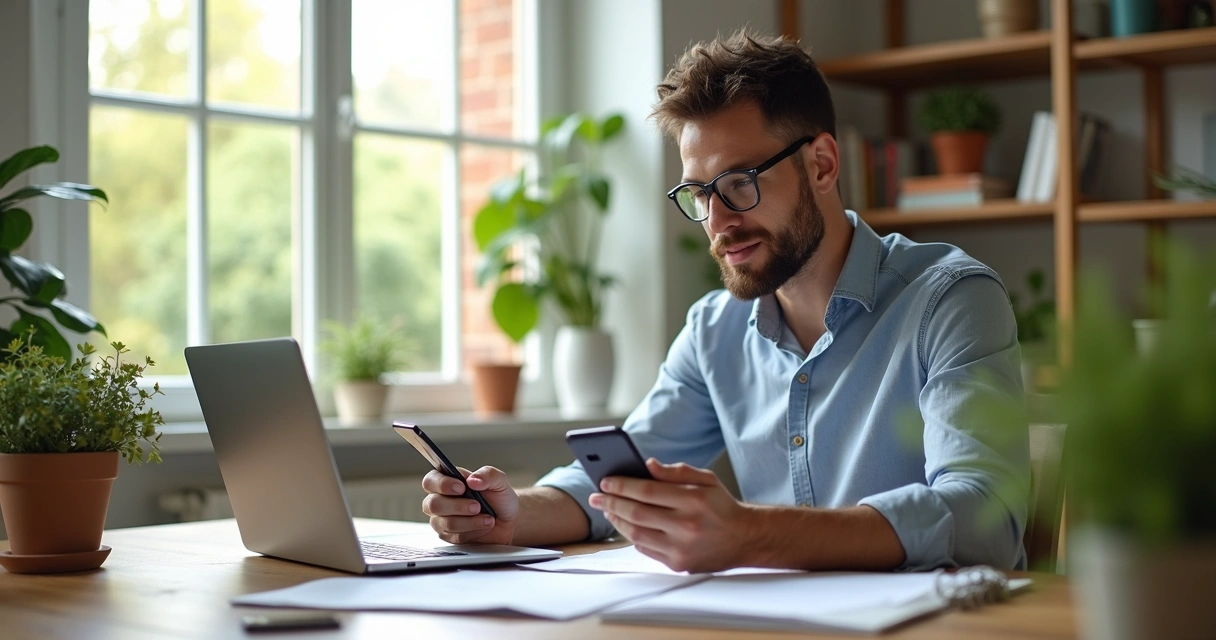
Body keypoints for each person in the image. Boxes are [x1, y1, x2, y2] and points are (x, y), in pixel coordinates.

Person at [422, 29, 1030, 574]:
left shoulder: (950, 299)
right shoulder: (715, 328)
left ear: (821, 164)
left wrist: (752, 534)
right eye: (698, 193)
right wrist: (509, 515)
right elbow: (614, 482)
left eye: (739, 183)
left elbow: (984, 517)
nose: (717, 223)